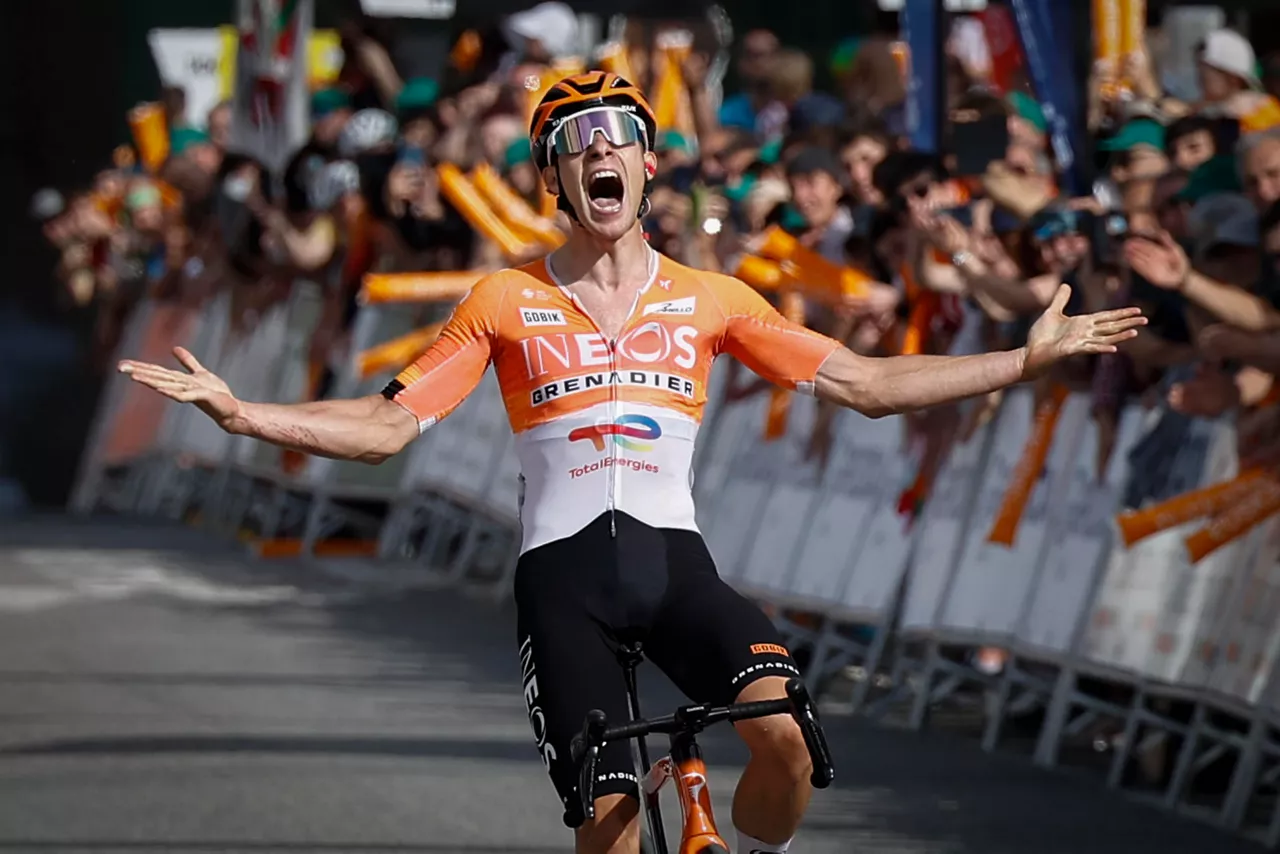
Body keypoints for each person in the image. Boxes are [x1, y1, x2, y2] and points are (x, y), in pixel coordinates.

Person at [118, 71, 1147, 854]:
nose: (598, 152)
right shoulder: (501, 298)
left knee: (784, 734)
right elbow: (388, 426)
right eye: (573, 142)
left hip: (675, 564)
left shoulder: (713, 298)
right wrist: (245, 413)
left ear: (647, 167)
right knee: (606, 821)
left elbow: (867, 383)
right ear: (553, 178)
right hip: (563, 580)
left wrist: (1021, 357)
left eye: (619, 137)